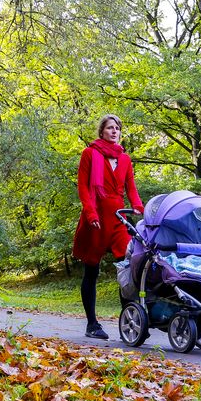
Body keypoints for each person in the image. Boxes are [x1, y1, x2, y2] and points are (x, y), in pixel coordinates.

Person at [72, 114, 143, 339]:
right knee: (91, 269)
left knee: (129, 265)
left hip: (118, 218)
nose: (115, 131)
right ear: (101, 131)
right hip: (95, 218)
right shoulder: (90, 154)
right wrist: (90, 212)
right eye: (110, 128)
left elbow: (131, 187)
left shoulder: (125, 159)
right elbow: (83, 187)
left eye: (118, 128)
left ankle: (129, 319)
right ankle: (92, 324)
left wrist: (138, 206)